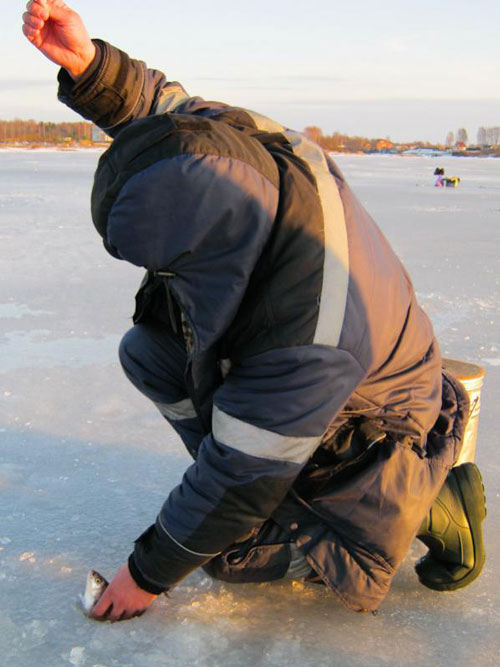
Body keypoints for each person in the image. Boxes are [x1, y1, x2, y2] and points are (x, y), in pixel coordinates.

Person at [22, 0, 486, 622]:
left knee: (228, 552)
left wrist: (146, 574)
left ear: (203, 245)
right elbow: (167, 117)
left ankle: (433, 503)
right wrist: (89, 67)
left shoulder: (304, 332)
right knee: (152, 350)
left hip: (375, 421)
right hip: (351, 368)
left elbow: (241, 473)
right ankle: (270, 492)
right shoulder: (244, 151)